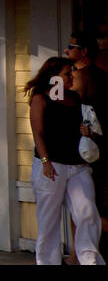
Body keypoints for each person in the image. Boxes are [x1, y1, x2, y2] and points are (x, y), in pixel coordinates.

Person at [26, 55, 104, 265]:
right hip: (53, 166)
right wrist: (45, 162)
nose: (72, 77)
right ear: (54, 78)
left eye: (72, 72)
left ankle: (90, 260)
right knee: (49, 220)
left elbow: (90, 131)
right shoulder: (40, 99)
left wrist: (88, 132)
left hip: (78, 167)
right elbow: (38, 133)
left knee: (87, 212)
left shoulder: (74, 99)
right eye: (67, 73)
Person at [67, 33, 108, 240]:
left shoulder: (92, 77)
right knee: (81, 206)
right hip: (78, 151)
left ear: (84, 51)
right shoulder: (71, 77)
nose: (66, 50)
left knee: (90, 206)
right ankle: (77, 254)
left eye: (71, 46)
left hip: (92, 152)